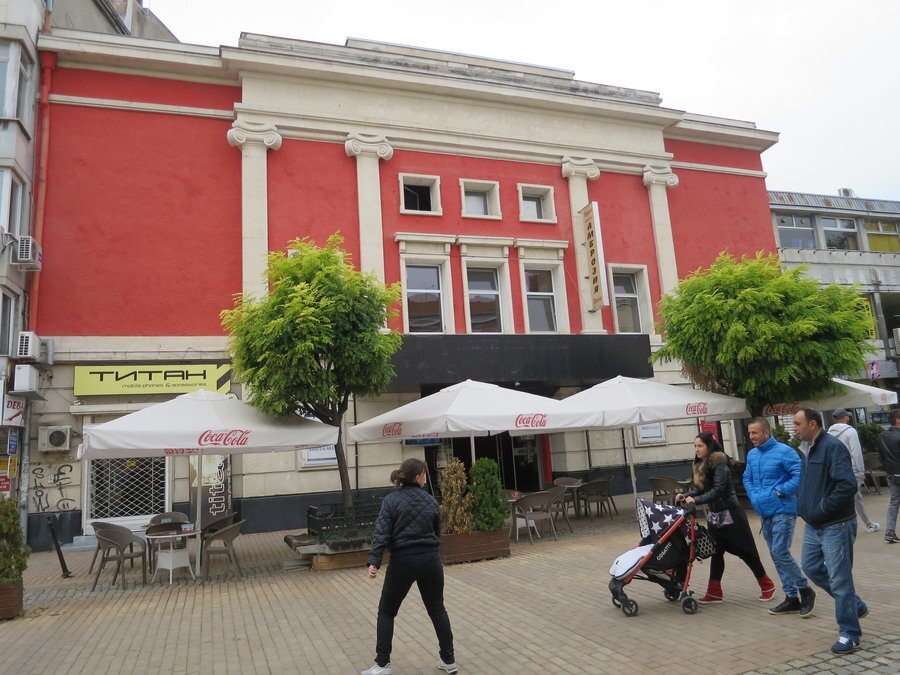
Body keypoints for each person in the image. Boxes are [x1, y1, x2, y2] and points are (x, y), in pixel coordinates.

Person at [362, 458, 457, 675]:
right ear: (417, 477)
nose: (425, 478)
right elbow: (437, 532)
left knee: (386, 612)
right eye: (424, 474)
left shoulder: (391, 500)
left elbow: (382, 533)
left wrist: (374, 561)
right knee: (437, 610)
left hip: (402, 562)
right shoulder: (431, 501)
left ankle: (382, 664)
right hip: (430, 561)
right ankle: (449, 660)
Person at [793, 408, 869, 655]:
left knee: (840, 578)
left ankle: (850, 633)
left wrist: (822, 508)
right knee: (811, 567)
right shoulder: (807, 448)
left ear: (813, 424)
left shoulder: (832, 447)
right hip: (814, 523)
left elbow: (847, 485)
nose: (794, 428)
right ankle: (854, 604)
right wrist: (804, 505)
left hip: (836, 523)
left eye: (798, 423)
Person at [676, 432, 776, 603]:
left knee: (746, 551)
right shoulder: (702, 464)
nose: (697, 449)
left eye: (700, 446)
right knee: (716, 551)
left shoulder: (719, 461)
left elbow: (719, 490)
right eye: (695, 446)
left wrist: (696, 500)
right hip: (715, 516)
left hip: (731, 514)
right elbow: (701, 488)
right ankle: (714, 591)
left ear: (709, 446)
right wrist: (686, 496)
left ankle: (767, 585)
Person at [743, 418, 815, 617]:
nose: (751, 437)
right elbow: (747, 477)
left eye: (755, 433)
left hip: (783, 509)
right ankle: (791, 597)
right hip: (764, 511)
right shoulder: (752, 454)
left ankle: (805, 590)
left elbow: (799, 476)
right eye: (749, 433)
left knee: (780, 551)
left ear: (766, 433)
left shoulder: (785, 452)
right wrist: (754, 495)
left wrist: (779, 491)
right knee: (776, 555)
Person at [828, 408, 880, 533]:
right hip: (852, 469)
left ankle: (867, 523)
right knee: (852, 498)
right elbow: (856, 452)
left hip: (835, 469)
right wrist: (861, 471)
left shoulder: (828, 433)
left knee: (853, 497)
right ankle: (853, 525)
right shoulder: (850, 431)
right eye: (847, 416)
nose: (849, 418)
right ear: (845, 418)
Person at [879, 408, 900, 544]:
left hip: (891, 473)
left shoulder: (882, 436)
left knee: (894, 502)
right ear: (898, 420)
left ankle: (889, 531)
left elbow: (880, 456)